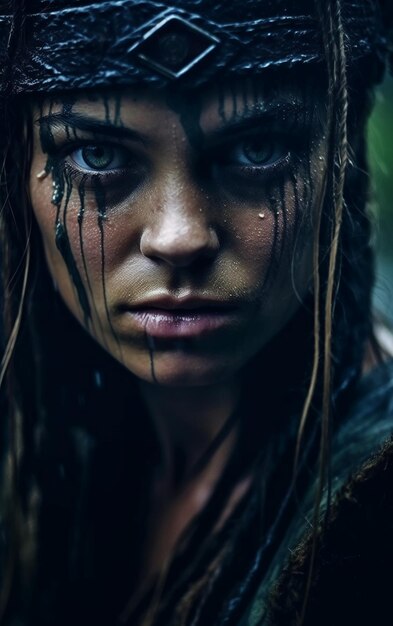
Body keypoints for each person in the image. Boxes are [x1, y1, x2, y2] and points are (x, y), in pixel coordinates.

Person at [0, 0, 392, 625]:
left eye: (258, 149)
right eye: (97, 157)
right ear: (18, 174)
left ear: (338, 161)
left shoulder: (376, 518)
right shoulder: (44, 455)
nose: (179, 237)